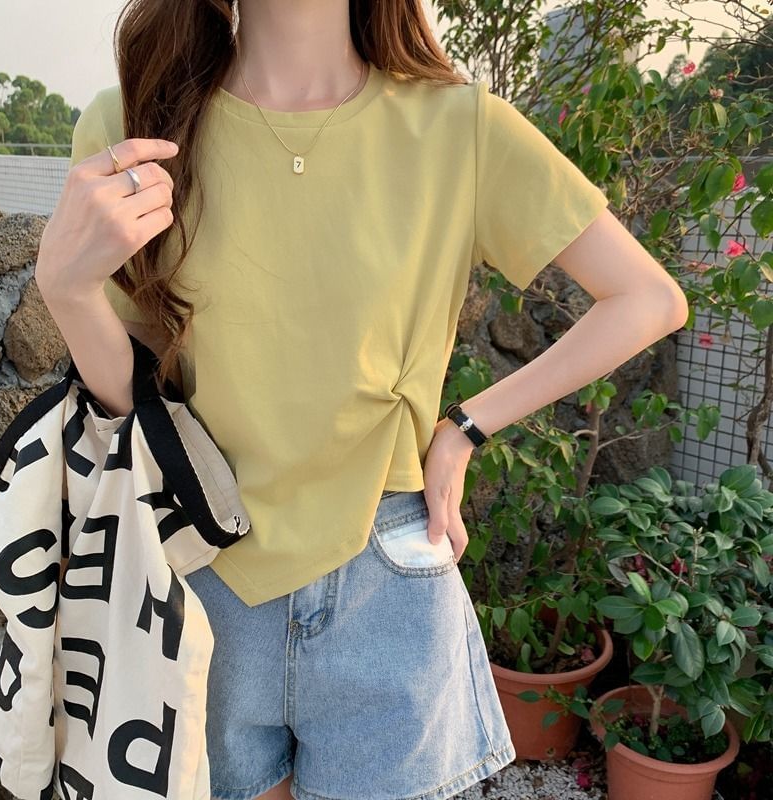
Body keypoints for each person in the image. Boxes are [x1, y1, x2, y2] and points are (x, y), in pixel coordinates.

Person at [36, 1, 689, 798]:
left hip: (386, 576)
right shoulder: (137, 124)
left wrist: (464, 428)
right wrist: (66, 291)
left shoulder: (458, 127)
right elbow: (137, 397)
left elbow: (647, 299)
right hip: (202, 575)